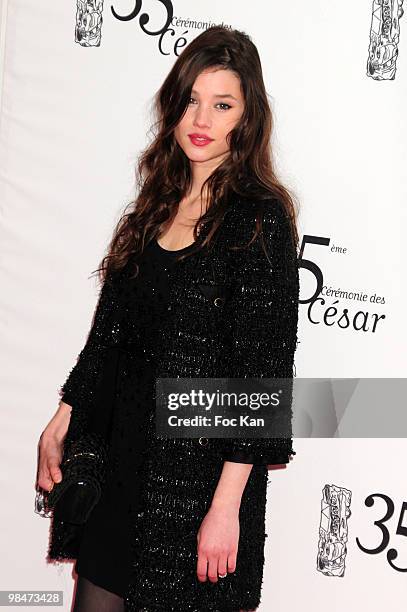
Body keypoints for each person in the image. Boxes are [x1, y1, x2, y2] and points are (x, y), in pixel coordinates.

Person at [36, 25, 300, 612]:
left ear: (247, 116)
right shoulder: (152, 207)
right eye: (190, 100)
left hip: (197, 484)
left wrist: (226, 507)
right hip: (121, 470)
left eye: (222, 104)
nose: (201, 118)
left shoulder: (259, 222)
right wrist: (63, 415)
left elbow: (261, 380)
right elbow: (107, 339)